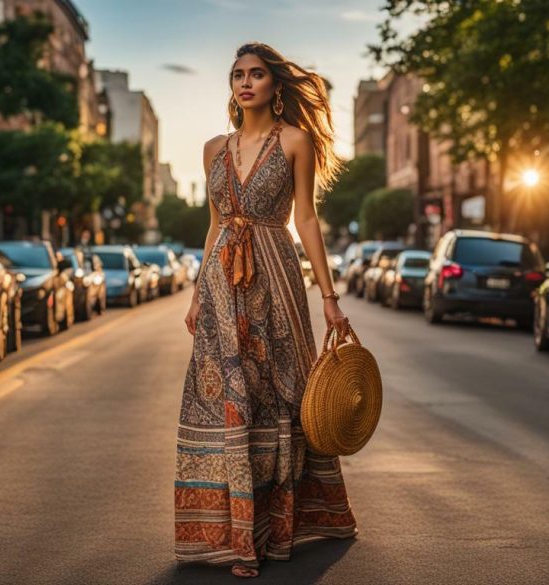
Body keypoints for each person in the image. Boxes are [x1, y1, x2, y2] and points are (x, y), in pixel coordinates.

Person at [175, 42, 357, 579]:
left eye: (257, 74)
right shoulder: (212, 149)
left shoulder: (296, 141)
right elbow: (213, 225)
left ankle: (279, 526)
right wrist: (195, 292)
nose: (246, 82)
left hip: (276, 280)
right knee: (227, 399)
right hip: (220, 289)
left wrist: (328, 297)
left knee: (281, 396)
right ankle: (232, 533)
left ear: (276, 86)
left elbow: (306, 221)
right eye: (237, 75)